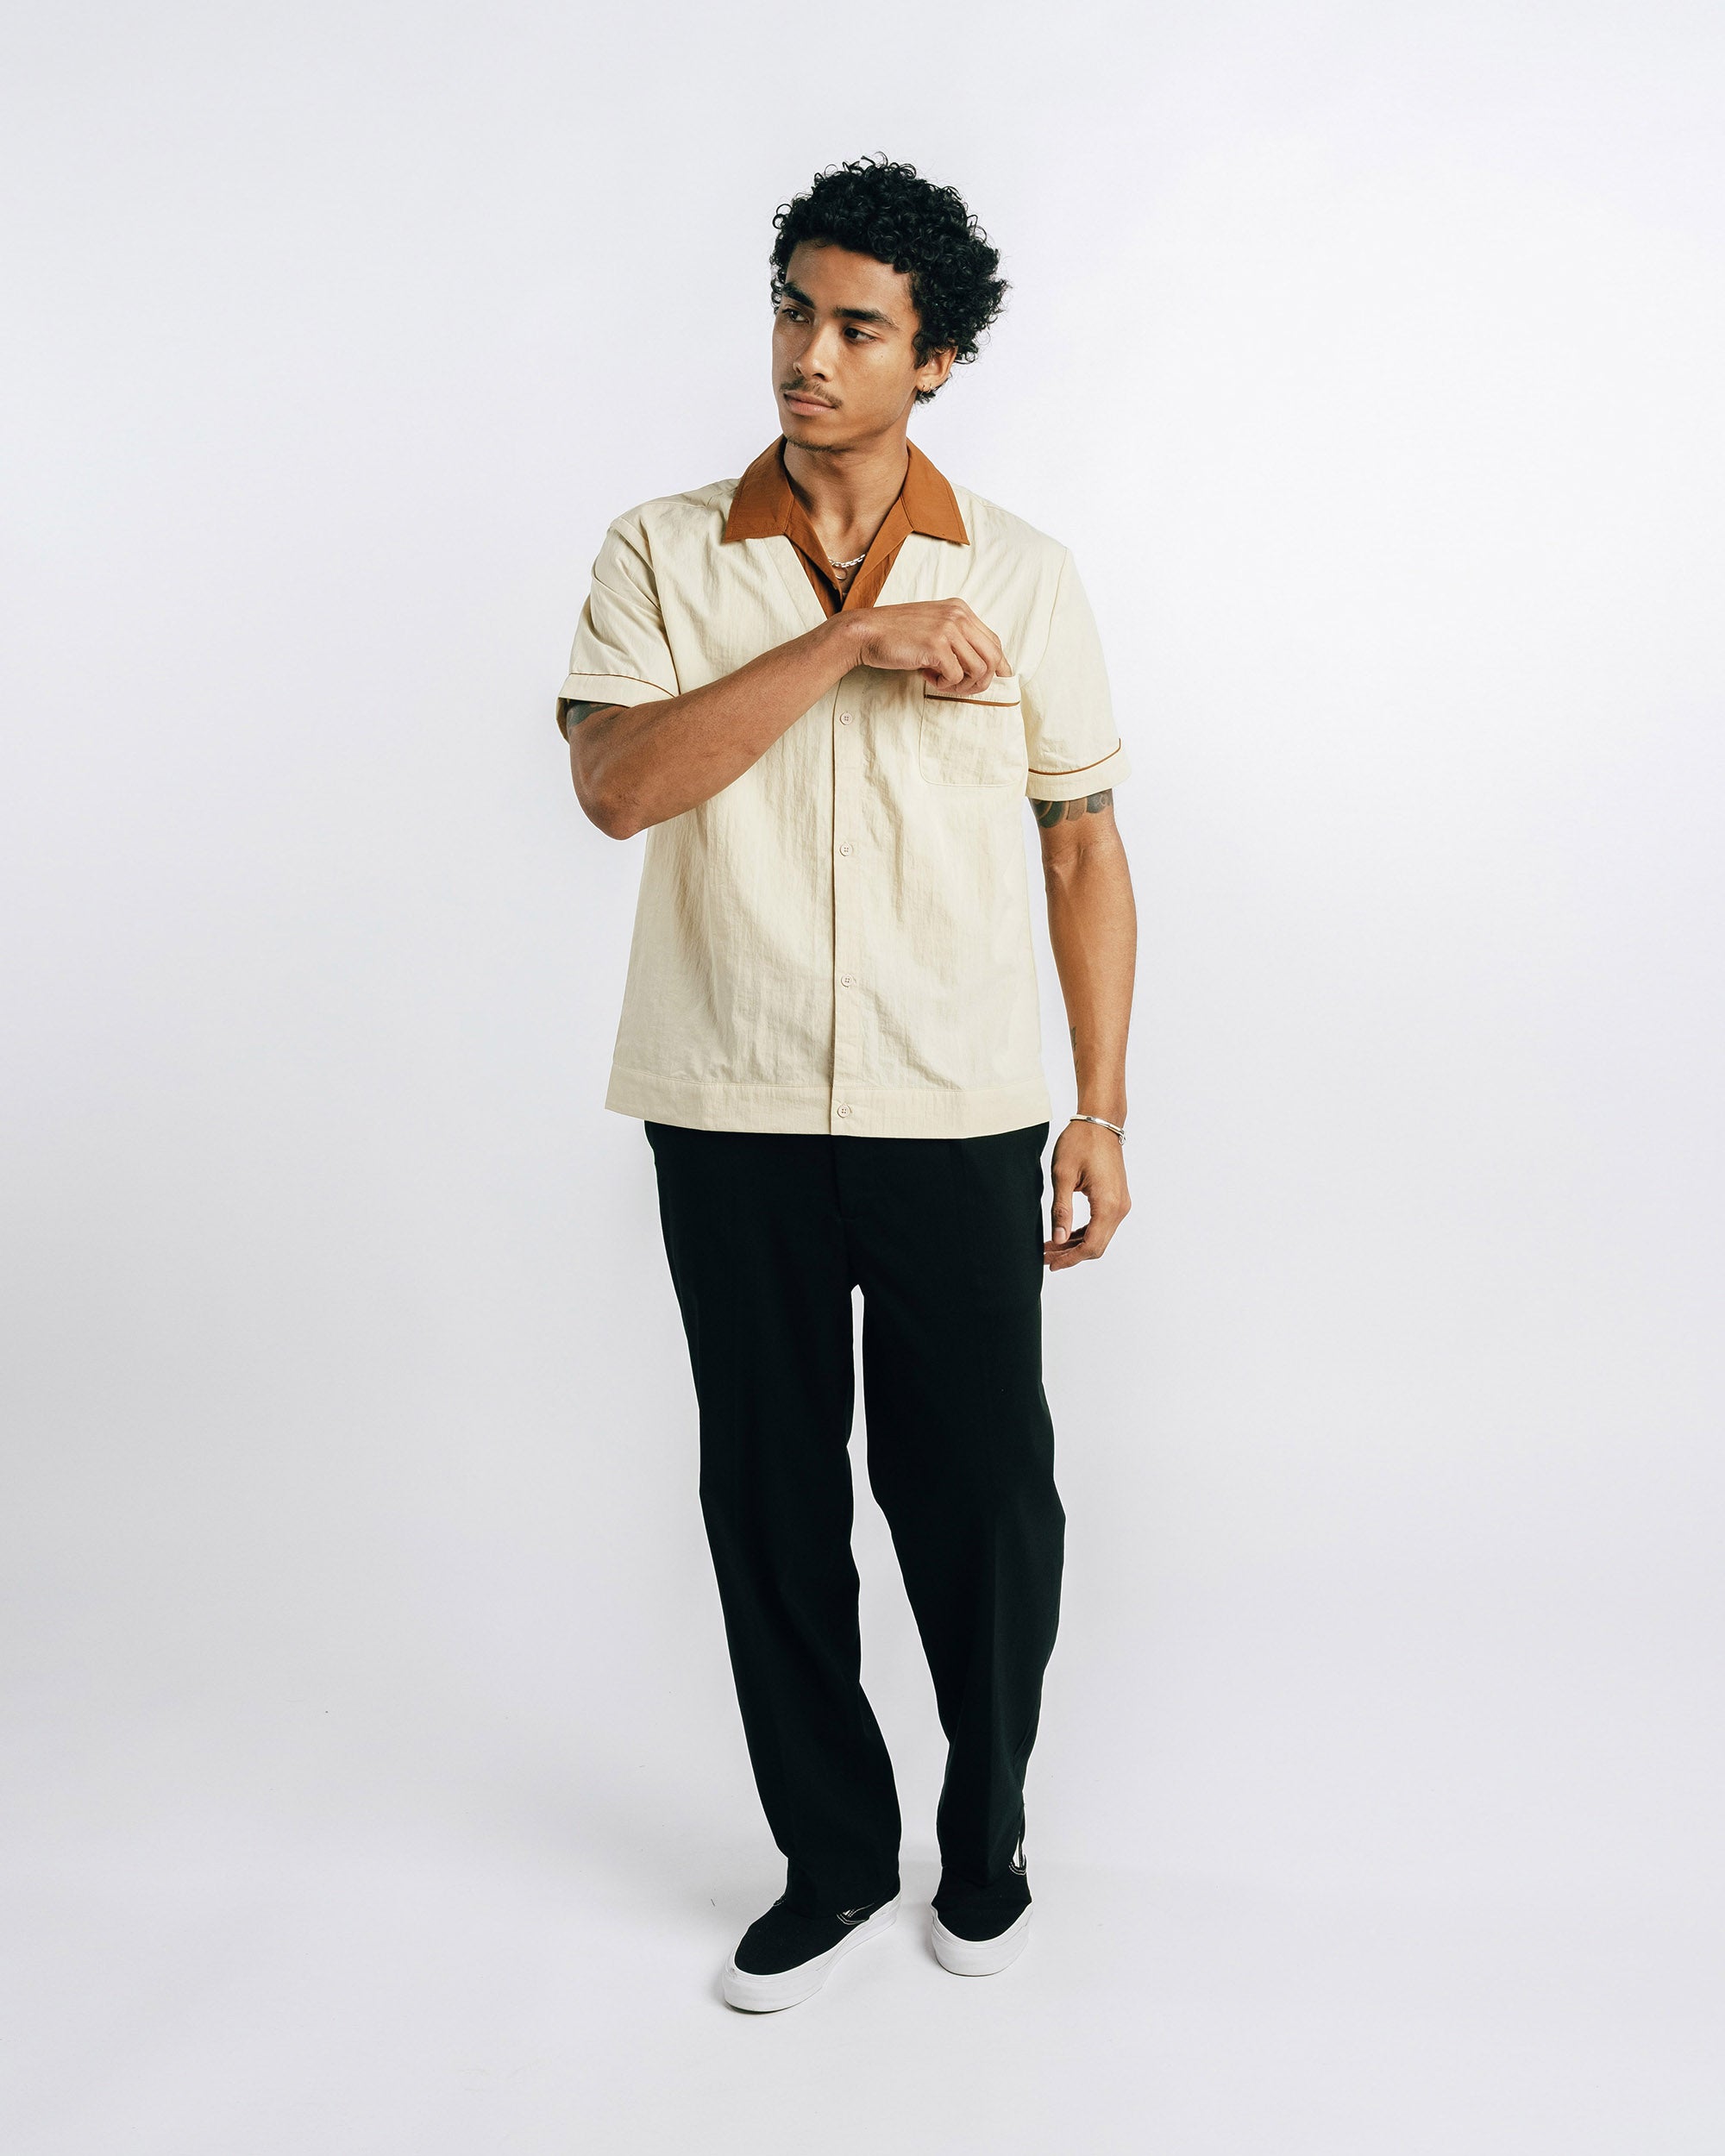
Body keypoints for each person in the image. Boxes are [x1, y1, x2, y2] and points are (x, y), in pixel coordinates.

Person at [555, 156, 1137, 2012]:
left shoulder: (1024, 573)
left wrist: (1098, 1109)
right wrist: (845, 643)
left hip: (952, 1100)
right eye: (794, 311)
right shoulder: (661, 550)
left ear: (936, 362)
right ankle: (824, 1849)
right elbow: (620, 785)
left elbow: (1081, 845)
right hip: (722, 1101)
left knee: (981, 1494)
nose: (809, 355)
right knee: (770, 1493)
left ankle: (987, 1833)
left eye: (857, 328)